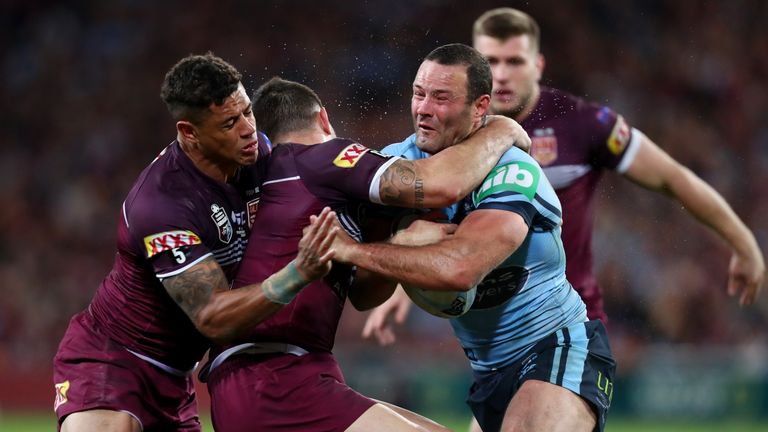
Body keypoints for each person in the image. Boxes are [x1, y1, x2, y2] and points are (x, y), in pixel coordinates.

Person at [363, 6, 764, 342]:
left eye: (514, 61)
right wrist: (408, 278)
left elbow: (672, 178)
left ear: (538, 65)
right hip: (492, 333)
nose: (502, 74)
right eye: (492, 62)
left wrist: (742, 241)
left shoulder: (582, 123)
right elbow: (434, 218)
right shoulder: (452, 136)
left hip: (567, 324)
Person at [200, 76, 530, 431]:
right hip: (273, 378)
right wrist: (501, 130)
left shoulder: (282, 185)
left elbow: (364, 295)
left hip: (274, 374)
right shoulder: (321, 157)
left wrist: (391, 247)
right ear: (324, 119)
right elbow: (439, 184)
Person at [333, 43, 616, 432]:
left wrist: (364, 251)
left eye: (441, 98)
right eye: (419, 94)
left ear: (480, 107)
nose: (424, 109)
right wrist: (394, 248)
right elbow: (364, 296)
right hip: (488, 373)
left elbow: (461, 269)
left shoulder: (515, 171)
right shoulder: (396, 166)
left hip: (557, 346)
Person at [52, 53, 338, 432]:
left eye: (248, 112)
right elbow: (213, 317)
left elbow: (322, 173)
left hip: (176, 380)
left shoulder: (257, 154)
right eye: (229, 123)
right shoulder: (162, 204)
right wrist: (298, 273)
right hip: (113, 358)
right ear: (189, 132)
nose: (249, 129)